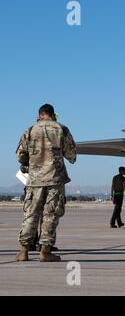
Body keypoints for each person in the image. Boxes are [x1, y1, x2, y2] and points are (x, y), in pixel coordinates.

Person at [15, 104, 77, 262]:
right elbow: (71, 155)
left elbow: (20, 155)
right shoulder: (61, 129)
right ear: (53, 114)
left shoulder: (30, 130)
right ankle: (45, 251)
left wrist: (30, 161)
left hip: (34, 180)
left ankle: (23, 251)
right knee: (50, 216)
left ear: (40, 114)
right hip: (55, 180)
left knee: (30, 215)